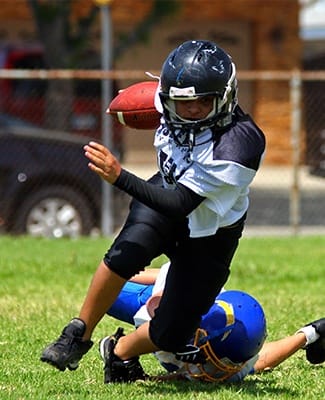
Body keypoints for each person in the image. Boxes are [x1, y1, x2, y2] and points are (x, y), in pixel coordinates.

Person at [40, 39, 267, 382]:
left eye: (203, 102)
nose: (190, 110)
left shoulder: (240, 143)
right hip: (165, 190)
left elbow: (182, 204)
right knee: (125, 252)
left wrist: (119, 177)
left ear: (225, 96)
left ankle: (118, 352)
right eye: (181, 102)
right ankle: (77, 334)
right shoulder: (166, 101)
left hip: (210, 228)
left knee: (172, 333)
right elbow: (142, 105)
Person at [102, 263, 325, 383]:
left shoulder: (235, 353)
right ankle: (118, 343)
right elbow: (170, 271)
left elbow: (262, 360)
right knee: (108, 290)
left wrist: (308, 334)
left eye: (221, 362)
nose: (216, 367)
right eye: (212, 357)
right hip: (162, 296)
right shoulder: (187, 302)